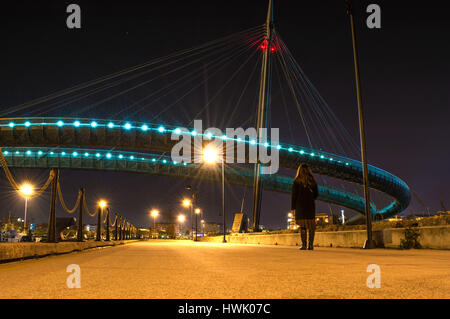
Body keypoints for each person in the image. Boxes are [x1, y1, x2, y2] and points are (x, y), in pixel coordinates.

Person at [291, 163, 319, 250]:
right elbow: (316, 194)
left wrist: (293, 208)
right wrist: (310, 198)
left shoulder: (296, 181)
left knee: (302, 226)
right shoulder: (312, 180)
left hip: (300, 206)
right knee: (311, 226)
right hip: (310, 205)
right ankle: (310, 245)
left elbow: (294, 195)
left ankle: (304, 245)